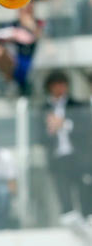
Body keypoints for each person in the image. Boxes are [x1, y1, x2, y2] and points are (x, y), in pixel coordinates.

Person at [38, 71, 92, 226]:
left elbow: (86, 129)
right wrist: (51, 128)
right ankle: (68, 214)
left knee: (84, 186)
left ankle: (87, 214)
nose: (60, 89)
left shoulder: (79, 105)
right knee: (63, 189)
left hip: (78, 155)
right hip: (57, 157)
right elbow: (39, 137)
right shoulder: (43, 109)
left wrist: (65, 124)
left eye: (63, 84)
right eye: (56, 85)